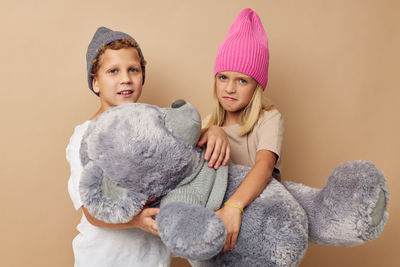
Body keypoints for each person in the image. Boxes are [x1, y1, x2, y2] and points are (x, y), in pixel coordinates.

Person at [66, 27, 230, 267]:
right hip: (102, 258)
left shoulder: (154, 127)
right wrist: (136, 221)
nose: (126, 78)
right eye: (113, 71)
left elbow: (181, 153)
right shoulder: (84, 138)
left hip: (153, 260)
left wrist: (212, 130)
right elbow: (92, 213)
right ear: (96, 82)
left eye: (134, 69)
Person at [203, 8, 285, 253]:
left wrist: (234, 207)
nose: (229, 88)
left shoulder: (268, 118)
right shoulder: (208, 125)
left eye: (242, 81)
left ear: (256, 86)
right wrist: (212, 130)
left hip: (257, 222)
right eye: (223, 77)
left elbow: (265, 166)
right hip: (218, 226)